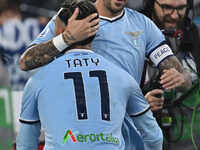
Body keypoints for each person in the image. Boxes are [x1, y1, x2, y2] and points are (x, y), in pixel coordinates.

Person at [19, 0, 192, 149]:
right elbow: (26, 62)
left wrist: (180, 78)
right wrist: (67, 38)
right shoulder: (76, 17)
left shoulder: (143, 25)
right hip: (81, 132)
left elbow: (183, 77)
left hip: (128, 134)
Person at [140, 0, 200, 149]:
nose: (174, 16)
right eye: (167, 8)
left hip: (190, 142)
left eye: (181, 8)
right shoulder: (131, 36)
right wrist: (139, 106)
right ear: (150, 4)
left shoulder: (196, 35)